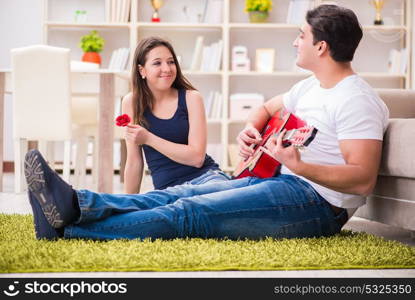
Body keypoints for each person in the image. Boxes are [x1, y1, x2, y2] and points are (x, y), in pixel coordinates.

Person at [25, 4, 389, 241]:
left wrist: (300, 165)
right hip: (280, 179)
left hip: (317, 204)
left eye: (301, 37)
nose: (295, 43)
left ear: (321, 47)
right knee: (175, 195)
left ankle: (68, 229)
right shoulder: (311, 86)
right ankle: (74, 202)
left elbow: (362, 178)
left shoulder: (355, 99)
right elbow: (264, 108)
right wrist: (250, 129)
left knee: (190, 213)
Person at [122, 37, 229, 193]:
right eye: (157, 63)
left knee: (203, 204)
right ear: (142, 70)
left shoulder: (192, 98)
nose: (167, 69)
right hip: (168, 191)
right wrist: (127, 206)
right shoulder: (131, 102)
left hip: (206, 179)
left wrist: (148, 138)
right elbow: (134, 162)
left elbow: (197, 158)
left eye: (171, 62)